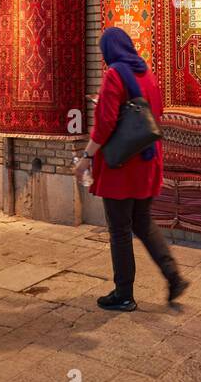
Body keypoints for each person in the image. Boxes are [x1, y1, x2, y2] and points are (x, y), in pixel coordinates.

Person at [75, 27, 188, 312]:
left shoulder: (114, 75)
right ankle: (173, 276)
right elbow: (156, 112)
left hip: (122, 168)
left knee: (120, 230)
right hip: (147, 162)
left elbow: (105, 124)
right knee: (142, 223)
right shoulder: (146, 73)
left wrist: (86, 156)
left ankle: (124, 294)